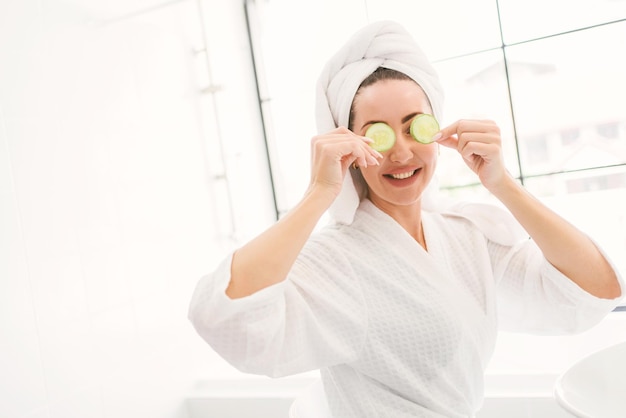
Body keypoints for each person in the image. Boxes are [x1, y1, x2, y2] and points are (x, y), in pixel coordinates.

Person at [188, 20, 623, 417]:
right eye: (377, 132)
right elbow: (225, 317)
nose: (399, 151)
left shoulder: (465, 235)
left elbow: (595, 290)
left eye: (414, 126)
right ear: (353, 151)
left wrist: (502, 183)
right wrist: (319, 193)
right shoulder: (339, 258)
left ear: (437, 134)